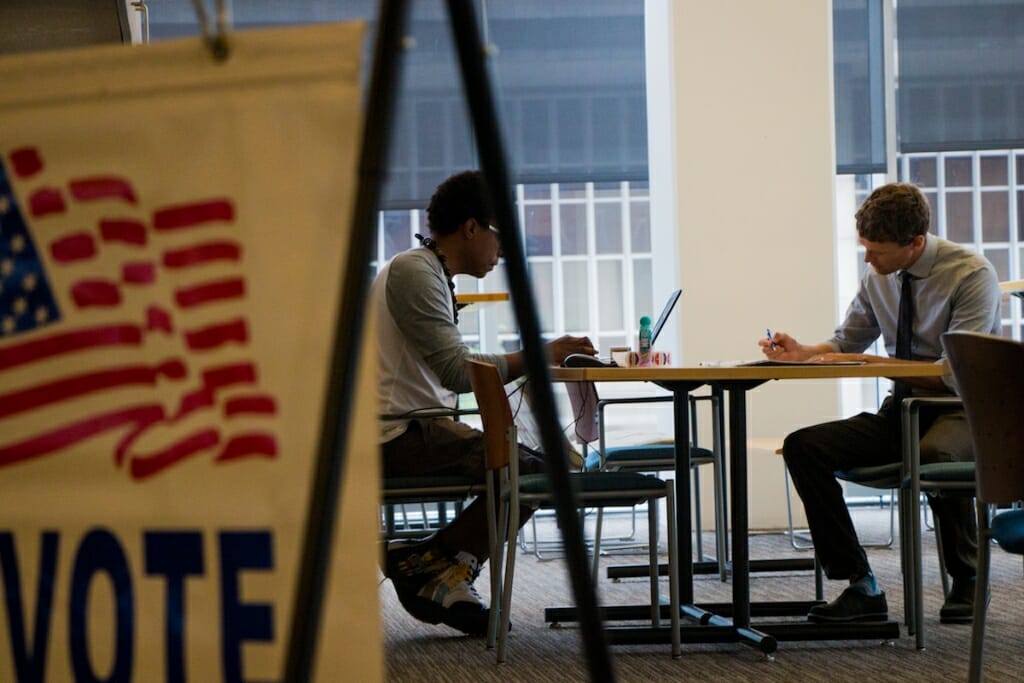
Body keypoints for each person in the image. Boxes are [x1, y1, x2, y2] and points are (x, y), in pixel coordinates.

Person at [759, 182, 1000, 624]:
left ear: (915, 244)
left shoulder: (971, 276)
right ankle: (861, 584)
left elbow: (954, 371)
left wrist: (872, 361)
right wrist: (805, 352)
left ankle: (968, 576)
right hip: (903, 407)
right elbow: (846, 341)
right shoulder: (879, 277)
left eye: (878, 251)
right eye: (864, 248)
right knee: (803, 447)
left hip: (960, 409)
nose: (868, 260)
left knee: (931, 454)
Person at [374, 170, 595, 635]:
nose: (503, 251)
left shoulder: (426, 270)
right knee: (539, 471)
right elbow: (458, 371)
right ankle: (428, 565)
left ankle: (437, 566)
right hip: (397, 434)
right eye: (501, 235)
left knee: (534, 465)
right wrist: (539, 353)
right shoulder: (415, 271)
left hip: (413, 427)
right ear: (472, 227)